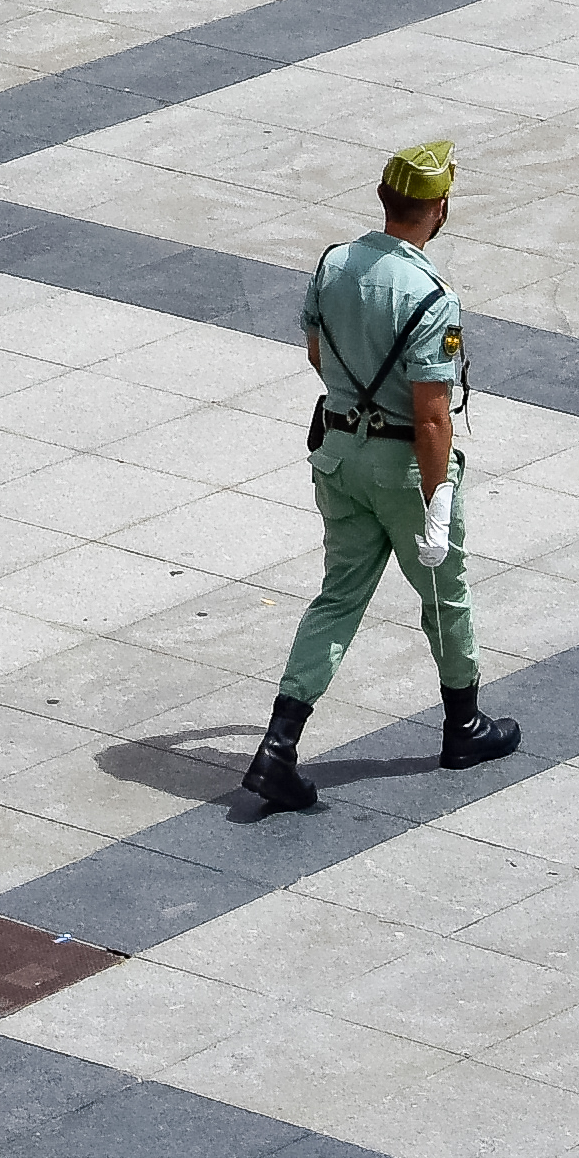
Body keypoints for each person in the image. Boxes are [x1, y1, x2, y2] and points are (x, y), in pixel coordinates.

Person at [228, 139, 516, 815]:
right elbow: (433, 415)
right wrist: (437, 498)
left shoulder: (334, 264)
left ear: (386, 202)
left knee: (338, 597)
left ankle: (277, 745)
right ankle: (464, 726)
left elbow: (316, 351)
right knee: (445, 596)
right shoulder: (431, 296)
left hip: (337, 454)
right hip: (401, 466)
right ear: (438, 209)